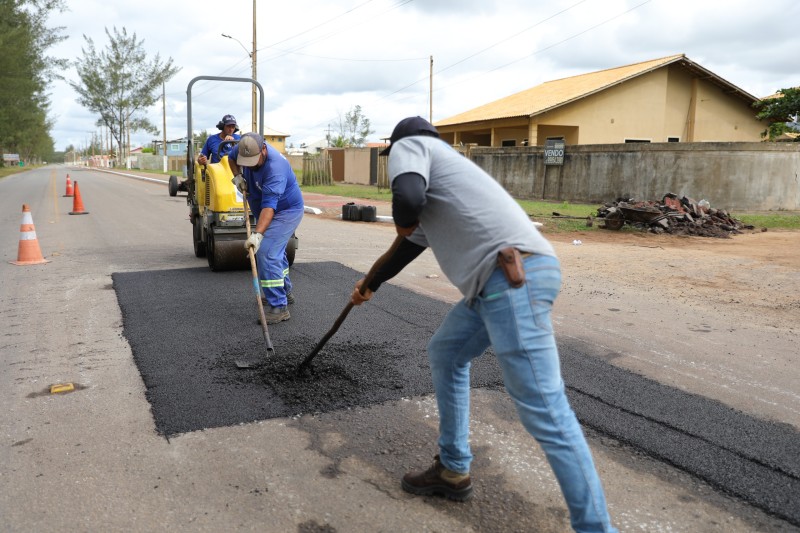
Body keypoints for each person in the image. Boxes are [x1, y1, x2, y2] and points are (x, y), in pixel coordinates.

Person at [350, 117, 617, 533]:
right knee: (447, 351)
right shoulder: (447, 186)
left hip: (511, 281)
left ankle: (596, 528)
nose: (395, 165)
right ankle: (453, 469)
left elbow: (406, 198)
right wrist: (369, 284)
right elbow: (403, 248)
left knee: (546, 411)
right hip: (497, 286)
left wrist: (404, 219)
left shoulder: (413, 147)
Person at [229, 132, 304, 323]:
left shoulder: (275, 168)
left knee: (267, 252)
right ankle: (285, 293)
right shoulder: (244, 147)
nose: (251, 165)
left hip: (285, 211)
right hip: (262, 206)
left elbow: (270, 208)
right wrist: (238, 176)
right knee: (276, 252)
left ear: (263, 149)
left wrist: (257, 235)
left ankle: (279, 307)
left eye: (254, 160)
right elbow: (231, 158)